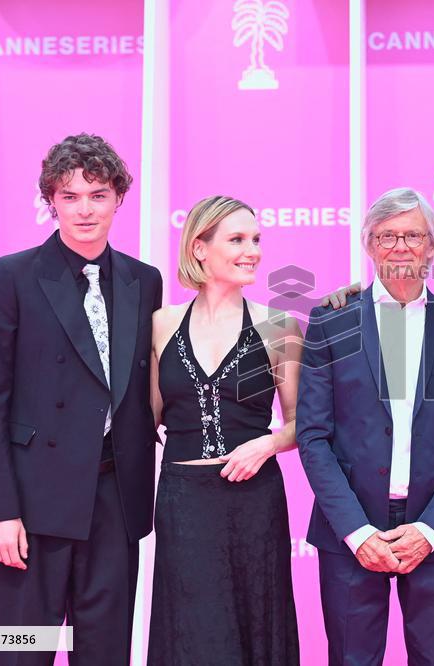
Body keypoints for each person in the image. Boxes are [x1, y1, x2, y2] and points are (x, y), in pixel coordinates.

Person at [0, 133, 163, 664]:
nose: (84, 209)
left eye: (97, 195)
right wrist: (0, 511)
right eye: (70, 196)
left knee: (105, 654)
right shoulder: (11, 276)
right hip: (32, 505)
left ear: (118, 199)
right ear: (50, 200)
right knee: (17, 653)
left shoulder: (144, 281)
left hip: (115, 502)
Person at [296, 188, 434, 665]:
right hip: (349, 531)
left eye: (412, 235)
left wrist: (430, 529)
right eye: (387, 235)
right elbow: (313, 437)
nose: (400, 246)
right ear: (369, 245)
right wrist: (356, 532)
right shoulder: (332, 321)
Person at [147, 195, 301, 665]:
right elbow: (145, 418)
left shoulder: (279, 326)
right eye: (236, 239)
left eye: (255, 239)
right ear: (199, 248)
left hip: (254, 503)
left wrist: (268, 443)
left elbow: (303, 423)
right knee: (190, 633)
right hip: (183, 503)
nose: (251, 250)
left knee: (258, 624)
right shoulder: (160, 324)